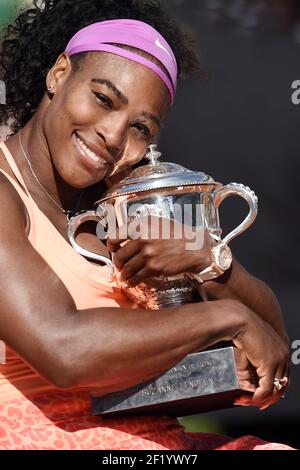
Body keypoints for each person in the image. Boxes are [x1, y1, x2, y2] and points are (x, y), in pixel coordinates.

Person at [0, 0, 292, 450]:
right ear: (59, 74)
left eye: (141, 128)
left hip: (151, 440)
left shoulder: (126, 204)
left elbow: (273, 349)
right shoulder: (5, 190)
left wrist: (208, 259)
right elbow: (63, 349)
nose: (114, 136)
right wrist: (225, 318)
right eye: (102, 99)